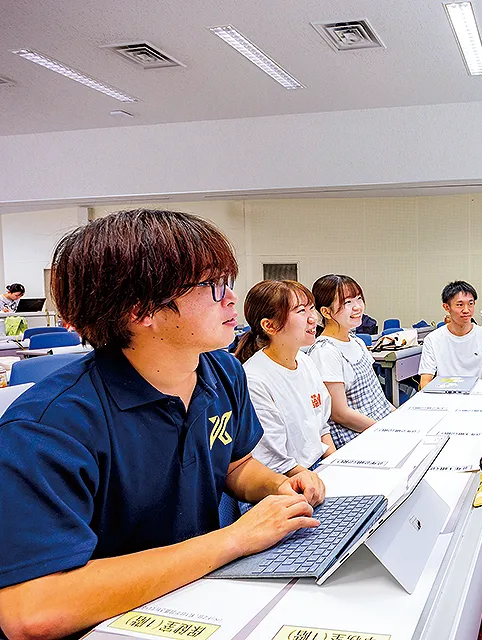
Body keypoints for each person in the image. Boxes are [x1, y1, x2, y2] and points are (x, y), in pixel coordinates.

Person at [0, 209, 326, 639]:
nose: (231, 298)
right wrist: (234, 539)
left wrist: (279, 484)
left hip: (196, 598)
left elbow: (233, 465)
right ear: (141, 310)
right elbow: (31, 610)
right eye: (213, 287)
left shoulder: (222, 372)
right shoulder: (49, 428)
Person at [235, 280, 336, 475]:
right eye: (301, 311)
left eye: (312, 308)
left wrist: (336, 466)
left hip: (316, 469)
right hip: (283, 482)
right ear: (269, 326)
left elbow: (322, 428)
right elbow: (275, 464)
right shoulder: (255, 380)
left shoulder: (305, 361)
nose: (313, 318)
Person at [308, 274, 393, 448]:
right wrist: (384, 430)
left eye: (359, 298)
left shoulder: (357, 342)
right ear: (326, 312)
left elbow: (377, 396)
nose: (357, 307)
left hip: (379, 427)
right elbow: (340, 414)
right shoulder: (325, 352)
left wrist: (398, 417)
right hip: (356, 439)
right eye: (347, 302)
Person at [419, 280, 482, 388]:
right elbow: (425, 382)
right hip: (444, 396)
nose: (466, 310)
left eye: (470, 304)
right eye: (460, 305)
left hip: (476, 397)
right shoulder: (432, 339)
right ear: (447, 307)